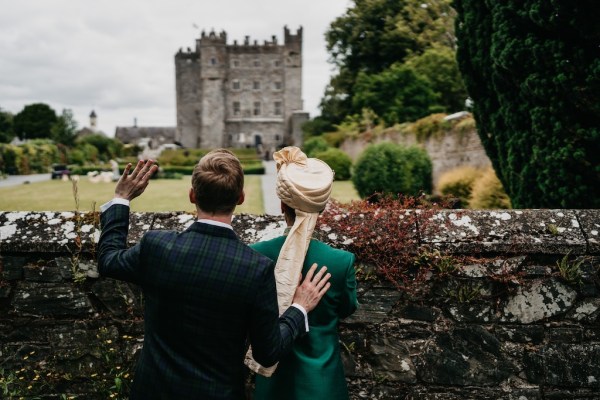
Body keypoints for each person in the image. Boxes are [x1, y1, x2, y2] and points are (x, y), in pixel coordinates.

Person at [97, 149, 331, 400]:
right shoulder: (255, 267)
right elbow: (267, 352)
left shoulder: (157, 246)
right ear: (241, 197)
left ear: (192, 195)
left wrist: (122, 198)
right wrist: (299, 308)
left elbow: (109, 260)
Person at [250, 146, 358, 400]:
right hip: (323, 383)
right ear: (321, 207)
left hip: (273, 386)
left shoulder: (257, 255)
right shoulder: (341, 262)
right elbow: (347, 308)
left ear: (281, 205)